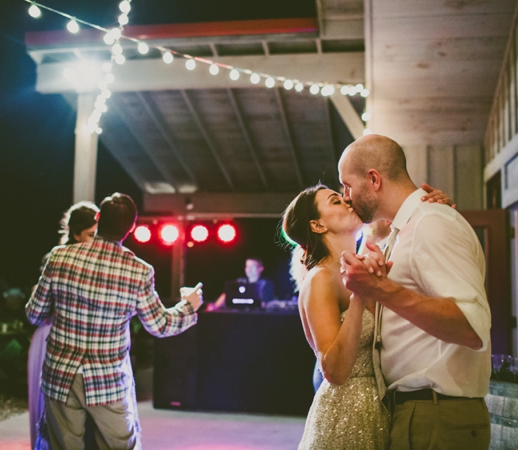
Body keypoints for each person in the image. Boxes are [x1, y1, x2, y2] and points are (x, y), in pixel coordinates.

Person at [338, 134, 492, 450]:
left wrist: (382, 290)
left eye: (347, 185)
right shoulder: (404, 229)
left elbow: (473, 327)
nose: (346, 196)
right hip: (420, 411)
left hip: (437, 412)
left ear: (373, 179)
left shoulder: (431, 223)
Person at [281, 182, 452, 449]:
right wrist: (359, 296)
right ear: (318, 226)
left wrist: (434, 210)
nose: (347, 202)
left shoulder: (368, 263)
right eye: (336, 201)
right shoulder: (320, 279)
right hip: (347, 413)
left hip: (384, 407)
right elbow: (334, 371)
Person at [26, 193, 203, 450]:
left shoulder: (59, 258)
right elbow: (160, 325)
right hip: (107, 382)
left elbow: (35, 314)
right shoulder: (138, 271)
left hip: (61, 376)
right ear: (131, 228)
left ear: (98, 218)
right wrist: (189, 306)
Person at [28, 201, 99, 450]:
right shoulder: (56, 259)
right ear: (76, 233)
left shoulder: (102, 263)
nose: (96, 241)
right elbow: (37, 310)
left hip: (85, 346)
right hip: (52, 336)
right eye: (92, 235)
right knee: (52, 413)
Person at [206, 257, 275, 311]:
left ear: (261, 268)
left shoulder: (265, 284)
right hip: (238, 315)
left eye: (252, 267)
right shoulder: (240, 281)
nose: (249, 270)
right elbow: (227, 295)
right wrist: (215, 306)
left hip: (256, 317)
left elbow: (263, 304)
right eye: (247, 267)